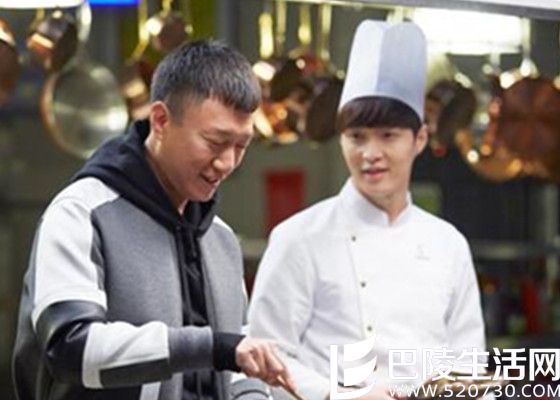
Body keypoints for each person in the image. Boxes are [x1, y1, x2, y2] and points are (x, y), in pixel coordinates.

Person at [12, 40, 295, 400]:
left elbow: (240, 360)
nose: (227, 163)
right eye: (214, 141)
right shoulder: (81, 213)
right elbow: (70, 348)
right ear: (160, 120)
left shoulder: (221, 239)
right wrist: (212, 347)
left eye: (241, 145)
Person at [248, 21, 488, 400]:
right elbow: (264, 360)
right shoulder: (299, 238)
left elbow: (468, 366)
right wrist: (336, 395)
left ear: (419, 139)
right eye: (357, 137)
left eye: (388, 136)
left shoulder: (448, 244)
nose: (370, 153)